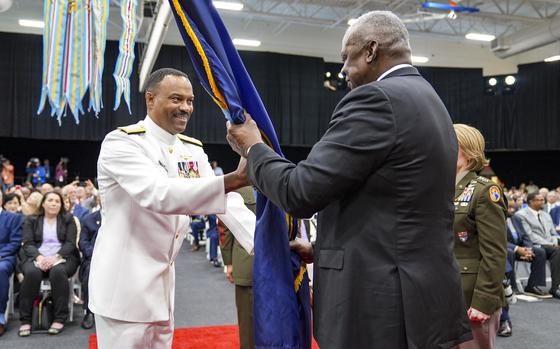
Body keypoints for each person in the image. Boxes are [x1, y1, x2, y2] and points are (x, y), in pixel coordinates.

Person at [226, 11, 471, 349]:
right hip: (424, 299)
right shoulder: (431, 101)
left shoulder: (377, 100)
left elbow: (300, 191)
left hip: (378, 307)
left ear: (371, 50)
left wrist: (253, 149)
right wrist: (321, 249)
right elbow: (397, 208)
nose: (342, 71)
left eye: (347, 58)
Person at [89, 68, 256, 349]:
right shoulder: (122, 143)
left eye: (190, 101)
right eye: (176, 99)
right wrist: (234, 178)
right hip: (123, 289)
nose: (185, 108)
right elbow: (159, 195)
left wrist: (267, 244)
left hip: (163, 290)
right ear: (151, 99)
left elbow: (226, 201)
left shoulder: (191, 149)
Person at [452, 124, 507, 349]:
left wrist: (483, 302)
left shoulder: (484, 191)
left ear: (466, 150)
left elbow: (495, 253)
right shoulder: (438, 189)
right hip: (442, 294)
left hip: (471, 296)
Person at [18, 191, 81, 336]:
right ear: (43, 204)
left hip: (63, 257)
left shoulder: (68, 219)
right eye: (50, 200)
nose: (54, 203)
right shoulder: (31, 220)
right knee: (32, 273)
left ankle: (60, 317)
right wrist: (39, 258)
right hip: (36, 257)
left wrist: (55, 258)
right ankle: (25, 320)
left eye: (57, 201)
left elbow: (71, 244)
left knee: (58, 272)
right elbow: (27, 244)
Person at [220, 186, 256, 349]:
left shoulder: (236, 190)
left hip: (245, 263)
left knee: (247, 321)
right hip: (275, 262)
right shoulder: (275, 183)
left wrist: (228, 262)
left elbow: (225, 230)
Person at [515, 192, 560, 298]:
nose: (543, 202)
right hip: (532, 244)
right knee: (554, 251)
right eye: (539, 200)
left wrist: (554, 241)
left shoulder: (545, 214)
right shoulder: (521, 215)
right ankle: (535, 285)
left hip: (549, 244)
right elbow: (529, 235)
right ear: (531, 202)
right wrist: (551, 244)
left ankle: (555, 287)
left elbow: (553, 233)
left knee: (556, 251)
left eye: (543, 200)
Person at [0, 190, 23, 336]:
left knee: (1, 269)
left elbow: (15, 242)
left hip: (4, 256)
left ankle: (0, 315)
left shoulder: (13, 218)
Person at [78, 202, 101, 330]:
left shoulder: (122, 219)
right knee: (89, 271)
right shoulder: (89, 219)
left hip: (116, 258)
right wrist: (96, 255)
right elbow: (83, 242)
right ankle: (89, 311)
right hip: (93, 258)